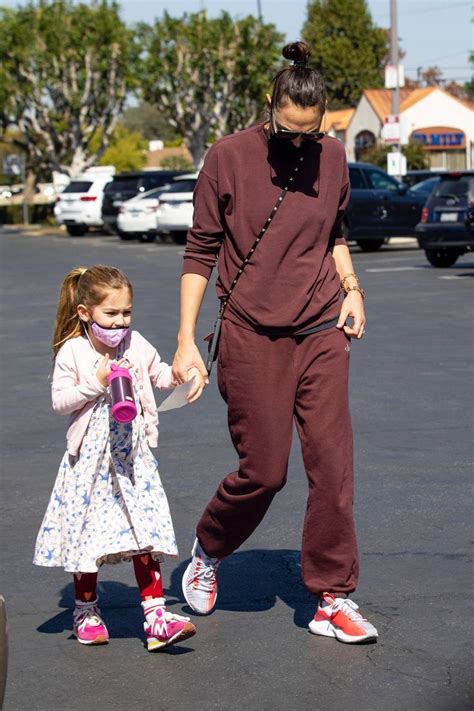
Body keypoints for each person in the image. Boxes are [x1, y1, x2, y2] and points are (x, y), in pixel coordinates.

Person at [173, 41, 378, 644]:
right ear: (270, 104)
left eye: (309, 132)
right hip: (250, 331)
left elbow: (335, 234)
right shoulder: (228, 157)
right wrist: (186, 340)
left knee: (334, 470)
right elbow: (200, 253)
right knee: (264, 472)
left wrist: (352, 288)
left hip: (319, 325)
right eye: (288, 130)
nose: (299, 142)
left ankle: (332, 596)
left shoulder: (334, 157)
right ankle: (210, 546)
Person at [34, 265, 205, 651]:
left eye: (126, 312)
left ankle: (156, 616)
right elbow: (60, 402)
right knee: (86, 537)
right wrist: (95, 382)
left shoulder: (136, 343)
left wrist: (181, 372)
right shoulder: (74, 351)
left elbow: (159, 375)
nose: (120, 322)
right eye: (111, 314)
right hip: (89, 465)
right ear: (85, 313)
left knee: (146, 532)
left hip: (132, 461)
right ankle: (86, 609)